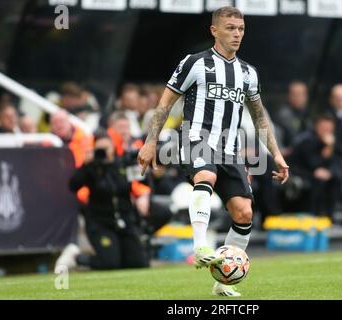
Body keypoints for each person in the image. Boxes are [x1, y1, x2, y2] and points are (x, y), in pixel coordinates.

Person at [138, 6, 289, 297]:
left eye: (241, 29)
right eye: (230, 28)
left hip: (230, 149)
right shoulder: (195, 63)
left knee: (244, 213)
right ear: (214, 31)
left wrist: (277, 154)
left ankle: (223, 282)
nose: (237, 34)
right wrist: (150, 141)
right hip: (197, 137)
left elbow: (259, 117)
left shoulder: (248, 72)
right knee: (206, 174)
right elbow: (165, 104)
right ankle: (200, 246)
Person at [60, 130, 151, 270]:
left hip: (125, 221)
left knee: (138, 262)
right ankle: (76, 257)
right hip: (101, 223)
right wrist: (86, 165)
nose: (103, 152)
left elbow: (144, 182)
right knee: (109, 263)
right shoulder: (92, 168)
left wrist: (143, 192)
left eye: (106, 148)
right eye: (99, 149)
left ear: (113, 147)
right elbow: (73, 186)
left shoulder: (122, 164)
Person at [289, 114, 342, 219]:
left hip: (318, 173)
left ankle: (329, 217)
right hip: (301, 173)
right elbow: (313, 164)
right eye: (323, 128)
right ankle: (313, 215)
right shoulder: (307, 140)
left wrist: (330, 172)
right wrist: (328, 147)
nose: (326, 132)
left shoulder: (332, 142)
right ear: (317, 126)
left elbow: (337, 161)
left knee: (336, 177)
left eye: (329, 129)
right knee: (319, 180)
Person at [272, 81, 310, 157]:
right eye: (294, 94)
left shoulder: (305, 112)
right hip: (286, 155)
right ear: (289, 95)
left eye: (301, 94)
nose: (298, 97)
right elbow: (293, 138)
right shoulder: (284, 114)